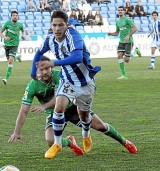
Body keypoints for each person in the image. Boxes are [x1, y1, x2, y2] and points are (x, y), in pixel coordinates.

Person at [8, 56, 138, 157]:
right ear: (36, 71)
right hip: (53, 114)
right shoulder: (32, 86)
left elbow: (58, 98)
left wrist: (44, 106)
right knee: (50, 140)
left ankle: (125, 142)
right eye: (41, 69)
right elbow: (24, 111)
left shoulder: (60, 75)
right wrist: (17, 132)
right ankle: (70, 142)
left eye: (47, 68)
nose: (45, 72)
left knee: (101, 126)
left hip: (72, 108)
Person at [32, 10, 101, 159]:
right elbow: (38, 53)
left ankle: (86, 134)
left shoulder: (74, 36)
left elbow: (77, 57)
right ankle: (57, 143)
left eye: (60, 25)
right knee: (59, 107)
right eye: (54, 25)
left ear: (67, 25)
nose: (57, 28)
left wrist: (53, 63)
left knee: (84, 115)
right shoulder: (50, 40)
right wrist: (33, 72)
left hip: (84, 82)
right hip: (67, 79)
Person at [107, 6, 138, 79]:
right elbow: (117, 33)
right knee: (119, 56)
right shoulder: (118, 22)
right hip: (121, 42)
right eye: (119, 10)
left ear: (124, 11)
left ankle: (135, 52)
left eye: (121, 10)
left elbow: (135, 28)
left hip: (128, 41)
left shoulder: (127, 20)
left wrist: (128, 35)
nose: (120, 11)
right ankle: (124, 75)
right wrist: (110, 34)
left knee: (127, 60)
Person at [0, 10, 25, 85]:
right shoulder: (7, 23)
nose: (15, 17)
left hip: (15, 44)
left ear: (18, 17)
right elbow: (0, 32)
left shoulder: (20, 25)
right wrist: (4, 37)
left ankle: (6, 79)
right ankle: (17, 57)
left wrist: (23, 35)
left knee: (10, 61)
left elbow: (23, 30)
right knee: (10, 60)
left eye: (16, 15)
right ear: (11, 16)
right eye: (14, 15)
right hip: (7, 44)